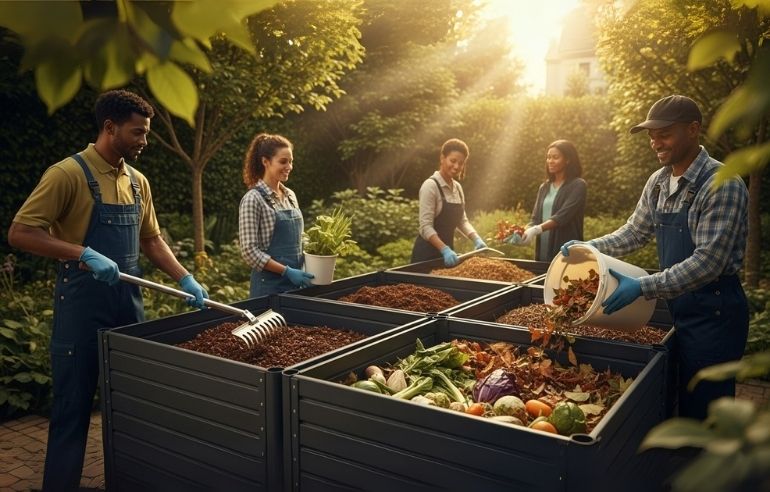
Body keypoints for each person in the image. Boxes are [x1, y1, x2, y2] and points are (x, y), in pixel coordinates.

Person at [7, 89, 208, 491]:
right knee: (73, 408)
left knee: (134, 405)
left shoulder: (138, 182)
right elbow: (21, 233)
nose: (144, 141)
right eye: (137, 133)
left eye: (146, 133)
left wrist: (184, 277)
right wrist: (82, 252)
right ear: (109, 127)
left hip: (128, 305)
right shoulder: (67, 174)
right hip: (81, 303)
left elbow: (151, 240)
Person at [560, 95, 749, 420]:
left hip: (715, 314)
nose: (655, 142)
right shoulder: (659, 182)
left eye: (664, 133)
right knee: (681, 402)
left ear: (693, 130)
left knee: (707, 413)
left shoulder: (722, 184)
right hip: (681, 307)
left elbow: (708, 263)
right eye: (651, 135)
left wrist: (643, 286)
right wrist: (589, 248)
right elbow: (634, 232)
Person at [239, 133, 313, 297]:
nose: (289, 166)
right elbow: (249, 252)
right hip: (268, 291)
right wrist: (287, 271)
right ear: (265, 162)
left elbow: (299, 241)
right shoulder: (253, 199)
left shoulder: (290, 196)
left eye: (291, 161)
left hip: (297, 287)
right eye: (283, 161)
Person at [410, 138, 487, 266]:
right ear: (442, 158)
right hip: (425, 257)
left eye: (461, 163)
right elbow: (425, 227)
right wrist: (444, 249)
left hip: (448, 257)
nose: (456, 166)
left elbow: (462, 220)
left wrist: (476, 239)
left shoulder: (457, 188)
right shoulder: (430, 186)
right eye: (453, 161)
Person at [507, 139, 586, 262]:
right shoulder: (544, 187)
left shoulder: (578, 185)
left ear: (568, 160)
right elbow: (535, 220)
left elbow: (563, 216)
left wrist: (536, 229)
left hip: (566, 253)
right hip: (542, 252)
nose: (550, 161)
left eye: (555, 157)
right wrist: (523, 232)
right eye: (548, 157)